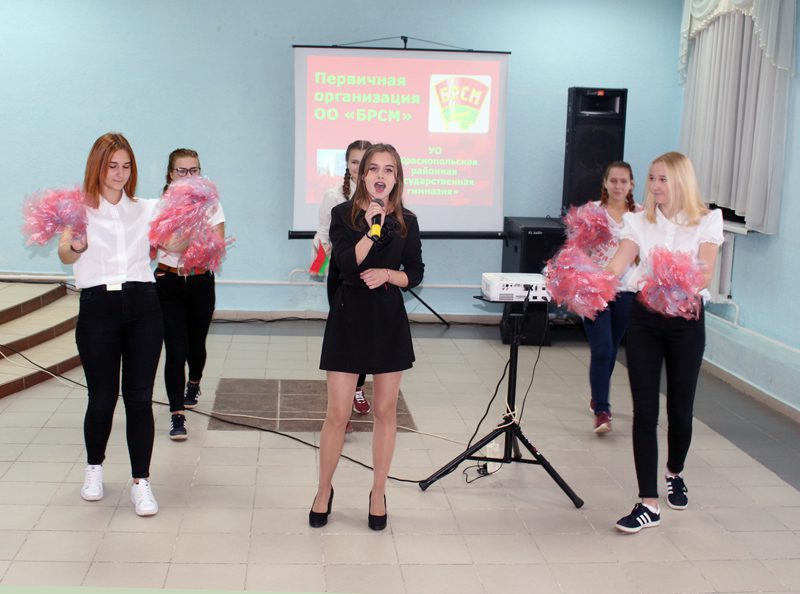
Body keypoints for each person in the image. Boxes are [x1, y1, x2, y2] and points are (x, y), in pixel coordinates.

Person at [605, 152, 723, 533]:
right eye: (652, 179)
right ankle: (648, 502)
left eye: (662, 179)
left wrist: (677, 279)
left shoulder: (708, 220)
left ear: (681, 182)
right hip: (645, 319)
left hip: (686, 321)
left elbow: (704, 273)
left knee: (681, 410)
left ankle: (675, 471)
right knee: (644, 411)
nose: (655, 186)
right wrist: (590, 280)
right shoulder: (639, 221)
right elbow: (619, 263)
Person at [309, 143, 424, 531]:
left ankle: (378, 492)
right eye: (374, 168)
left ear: (396, 177)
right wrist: (372, 231)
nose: (380, 175)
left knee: (386, 412)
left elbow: (415, 272)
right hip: (349, 315)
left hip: (388, 318)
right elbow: (345, 265)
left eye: (389, 170)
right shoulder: (343, 214)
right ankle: (323, 490)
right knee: (338, 414)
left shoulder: (407, 220)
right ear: (362, 175)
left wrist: (389, 275)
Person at [58, 132, 163, 516]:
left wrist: (188, 235)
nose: (119, 173)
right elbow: (64, 252)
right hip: (98, 305)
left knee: (139, 398)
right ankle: (94, 468)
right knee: (102, 396)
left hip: (143, 304)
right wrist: (76, 247)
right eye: (112, 166)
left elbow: (174, 246)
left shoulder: (146, 208)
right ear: (97, 167)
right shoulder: (79, 209)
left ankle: (141, 482)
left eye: (126, 166)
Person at [154, 149, 225, 441]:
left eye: (194, 170)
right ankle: (177, 414)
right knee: (176, 349)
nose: (188, 176)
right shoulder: (159, 206)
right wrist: (195, 231)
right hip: (168, 281)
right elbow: (167, 245)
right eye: (182, 171)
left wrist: (186, 236)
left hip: (200, 281)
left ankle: (194, 382)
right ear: (171, 174)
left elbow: (216, 245)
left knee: (196, 346)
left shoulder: (212, 203)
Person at [313, 140, 373, 429]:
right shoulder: (334, 196)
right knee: (344, 337)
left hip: (372, 273)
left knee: (365, 335)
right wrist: (321, 257)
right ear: (347, 165)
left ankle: (357, 387)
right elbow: (323, 231)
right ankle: (341, 404)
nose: (359, 167)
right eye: (354, 162)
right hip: (341, 273)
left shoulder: (382, 197)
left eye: (365, 162)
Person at [583, 162, 640, 433]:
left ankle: (598, 395)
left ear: (631, 185)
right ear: (605, 183)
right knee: (602, 348)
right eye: (613, 181)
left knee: (612, 348)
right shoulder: (592, 212)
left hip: (626, 291)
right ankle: (602, 411)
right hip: (594, 291)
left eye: (623, 181)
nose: (618, 186)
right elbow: (577, 249)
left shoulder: (640, 215)